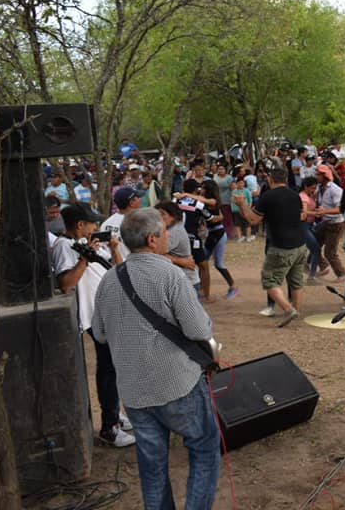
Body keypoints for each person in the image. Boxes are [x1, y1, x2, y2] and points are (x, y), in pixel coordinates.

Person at [91, 208, 220, 509]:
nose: (168, 236)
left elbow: (99, 333)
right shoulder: (170, 274)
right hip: (177, 383)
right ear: (152, 239)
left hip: (134, 392)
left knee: (152, 464)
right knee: (203, 447)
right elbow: (199, 329)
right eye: (165, 232)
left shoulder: (109, 280)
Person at [50, 203, 134, 448]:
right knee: (108, 369)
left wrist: (114, 248)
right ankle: (109, 427)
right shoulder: (65, 246)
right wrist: (84, 259)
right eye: (92, 224)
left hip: (108, 311)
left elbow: (118, 270)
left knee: (112, 368)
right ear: (79, 225)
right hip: (94, 316)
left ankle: (113, 413)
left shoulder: (91, 245)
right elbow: (66, 284)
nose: (96, 227)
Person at [234, 167, 308, 327]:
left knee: (269, 280)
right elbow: (301, 216)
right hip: (300, 244)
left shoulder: (267, 197)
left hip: (282, 246)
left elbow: (253, 220)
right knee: (296, 280)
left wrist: (241, 205)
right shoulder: (295, 195)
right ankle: (296, 310)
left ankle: (289, 310)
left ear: (270, 179)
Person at [155, 201, 201, 293]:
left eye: (163, 214)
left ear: (174, 216)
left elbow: (155, 253)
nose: (159, 218)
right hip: (181, 280)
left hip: (185, 282)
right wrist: (180, 261)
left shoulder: (174, 231)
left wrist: (178, 261)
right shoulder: (171, 228)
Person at [313, 164, 345, 281]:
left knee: (330, 252)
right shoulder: (319, 188)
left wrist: (325, 211)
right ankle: (323, 266)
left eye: (318, 174)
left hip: (336, 223)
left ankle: (341, 274)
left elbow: (340, 209)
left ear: (325, 176)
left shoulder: (335, 189)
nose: (316, 176)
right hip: (326, 221)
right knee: (313, 244)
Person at [101, 186, 141, 260]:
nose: (140, 200)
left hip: (111, 266)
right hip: (131, 266)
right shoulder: (137, 223)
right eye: (137, 198)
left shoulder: (106, 223)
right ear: (131, 203)